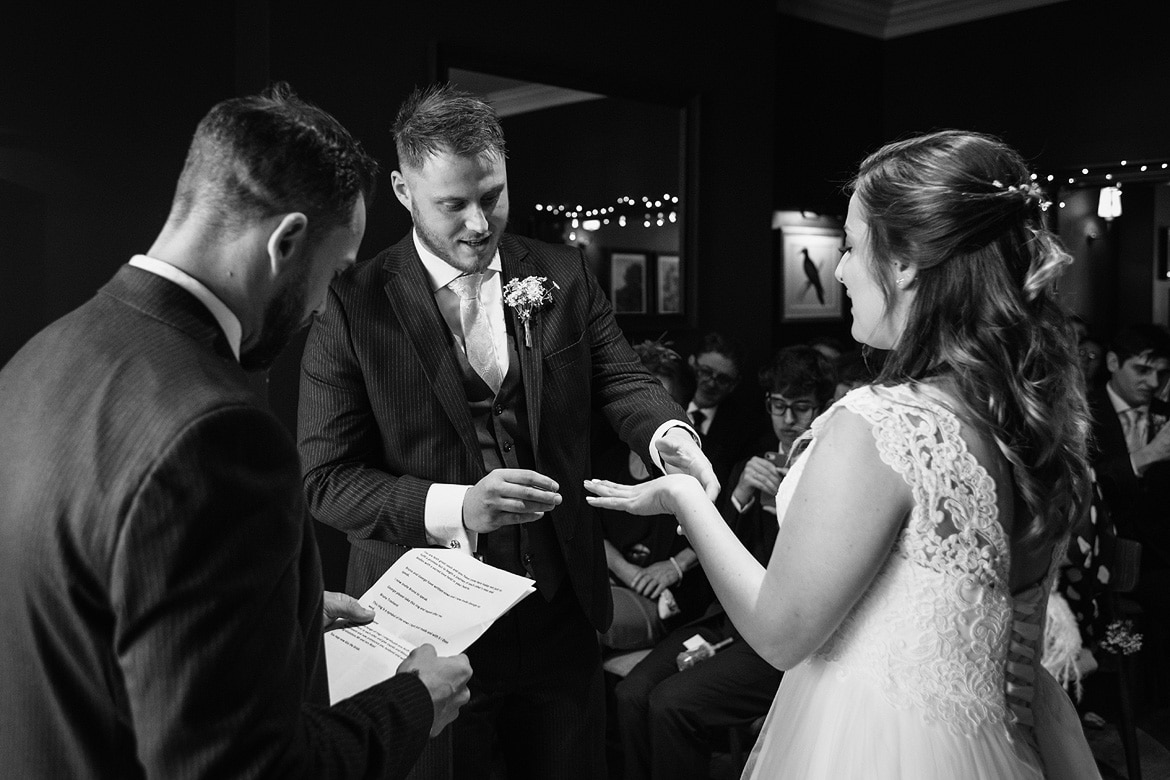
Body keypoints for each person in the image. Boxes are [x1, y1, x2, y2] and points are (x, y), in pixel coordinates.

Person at [587, 129, 1102, 778]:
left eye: (853, 246)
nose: (837, 270)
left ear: (909, 261)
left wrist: (686, 499)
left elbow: (780, 633)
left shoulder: (883, 426)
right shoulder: (1031, 425)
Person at [0, 83, 472, 779]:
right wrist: (414, 702)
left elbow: (81, 599)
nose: (319, 310)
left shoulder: (35, 360)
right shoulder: (219, 435)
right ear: (287, 242)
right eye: (334, 273)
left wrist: (274, 609)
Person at [296, 82, 717, 780]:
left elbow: (621, 379)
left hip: (560, 615)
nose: (478, 223)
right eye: (452, 204)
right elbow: (327, 480)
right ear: (402, 189)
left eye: (491, 195)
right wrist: (457, 506)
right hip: (429, 631)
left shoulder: (559, 273)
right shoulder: (352, 304)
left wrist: (668, 434)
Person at [613, 343, 835, 780]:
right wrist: (739, 496)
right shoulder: (748, 467)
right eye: (779, 405)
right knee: (631, 695)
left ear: (821, 409)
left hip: (779, 635)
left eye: (801, 407)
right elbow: (710, 546)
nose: (788, 420)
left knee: (672, 704)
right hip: (725, 618)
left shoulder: (828, 470)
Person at [595, 338, 711, 651]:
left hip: (664, 599)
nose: (645, 415)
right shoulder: (608, 458)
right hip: (612, 583)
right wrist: (625, 570)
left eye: (658, 402)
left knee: (583, 623)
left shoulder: (696, 465)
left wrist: (674, 565)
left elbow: (720, 530)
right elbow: (589, 525)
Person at [1087, 322, 1170, 707]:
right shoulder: (1083, 412)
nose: (1153, 383)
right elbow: (1087, 484)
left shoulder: (1166, 415)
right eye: (1143, 370)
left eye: (1163, 373)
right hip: (1106, 551)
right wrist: (1149, 456)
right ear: (1113, 362)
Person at [684, 331, 762, 487]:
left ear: (734, 384)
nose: (711, 383)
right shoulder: (669, 400)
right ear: (692, 363)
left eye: (723, 379)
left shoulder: (745, 429)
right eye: (706, 372)